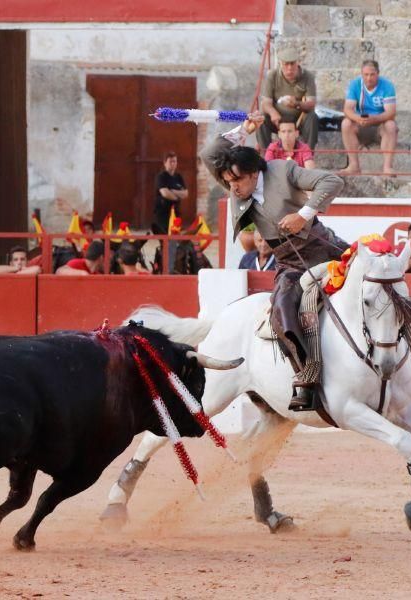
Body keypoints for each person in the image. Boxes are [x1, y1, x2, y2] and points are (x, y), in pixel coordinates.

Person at [202, 110, 347, 411]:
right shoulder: (235, 182)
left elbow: (331, 181)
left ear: (254, 173)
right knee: (282, 312)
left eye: (237, 180)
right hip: (289, 262)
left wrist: (303, 214)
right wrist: (245, 128)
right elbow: (209, 154)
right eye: (228, 181)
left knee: (376, 275)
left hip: (321, 247)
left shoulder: (283, 170)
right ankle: (307, 379)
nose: (232, 187)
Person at [339, 59, 399, 176]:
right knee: (346, 124)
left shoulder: (387, 86)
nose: (369, 78)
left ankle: (387, 167)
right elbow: (347, 109)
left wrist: (374, 119)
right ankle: (353, 165)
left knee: (391, 125)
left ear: (378, 74)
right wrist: (357, 118)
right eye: (366, 75)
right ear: (362, 74)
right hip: (361, 124)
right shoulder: (355, 85)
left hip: (380, 125)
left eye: (372, 75)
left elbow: (391, 113)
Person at [257, 46, 318, 151]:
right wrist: (272, 113)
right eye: (286, 64)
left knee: (312, 117)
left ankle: (308, 155)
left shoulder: (308, 76)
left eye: (292, 64)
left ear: (298, 63)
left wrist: (296, 104)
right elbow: (265, 102)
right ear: (280, 64)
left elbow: (311, 104)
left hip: (298, 120)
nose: (289, 68)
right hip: (277, 120)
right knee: (260, 118)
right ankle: (265, 156)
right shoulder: (273, 75)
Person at [151, 151, 187, 235]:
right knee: (164, 239)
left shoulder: (178, 177)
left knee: (175, 237)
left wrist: (173, 191)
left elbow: (185, 193)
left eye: (174, 161)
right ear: (165, 163)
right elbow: (165, 193)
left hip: (175, 213)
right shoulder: (161, 177)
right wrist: (178, 196)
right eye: (170, 161)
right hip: (163, 214)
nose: (173, 163)